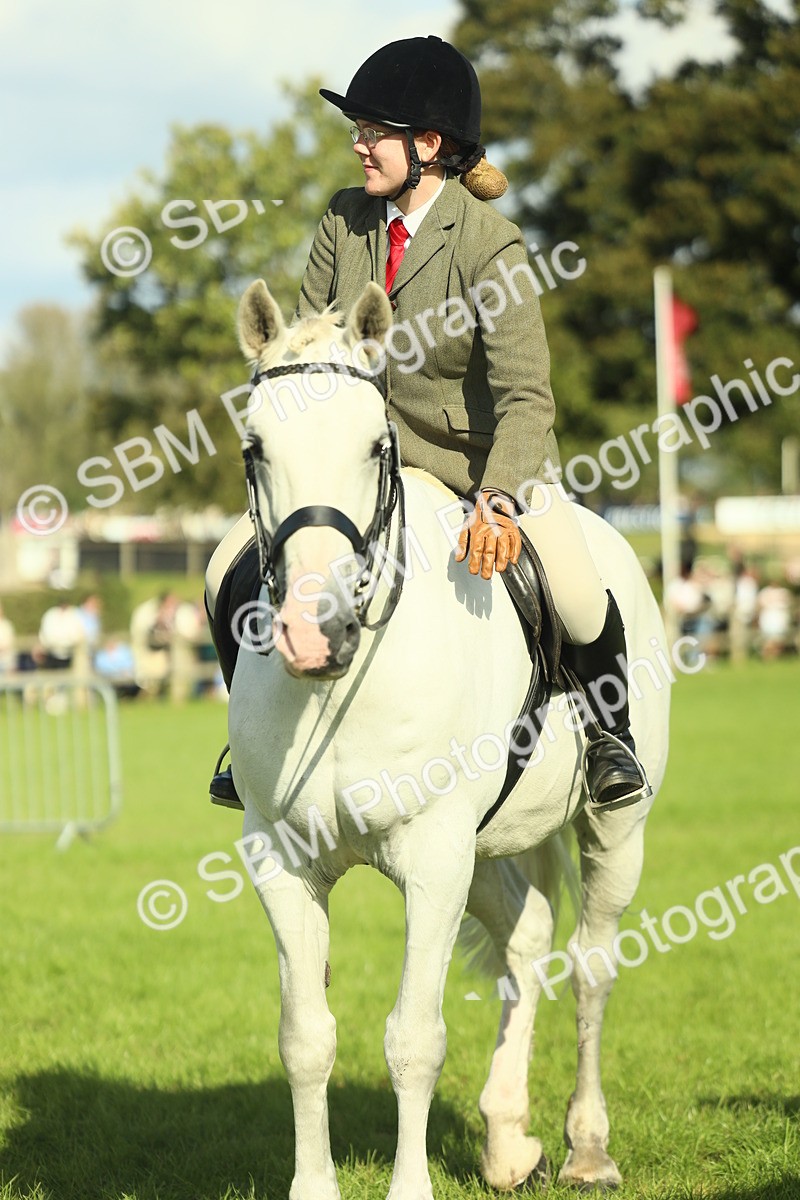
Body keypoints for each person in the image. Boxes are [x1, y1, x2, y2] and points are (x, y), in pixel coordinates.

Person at [207, 35, 651, 813]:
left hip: (480, 465)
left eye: (373, 131)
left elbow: (528, 396)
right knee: (224, 568)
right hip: (369, 467)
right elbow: (314, 353)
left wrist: (503, 498)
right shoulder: (344, 223)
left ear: (429, 145)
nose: (359, 145)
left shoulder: (490, 245)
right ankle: (249, 745)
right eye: (359, 130)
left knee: (580, 593)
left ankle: (609, 739)